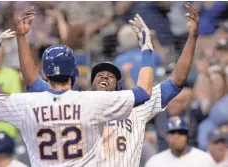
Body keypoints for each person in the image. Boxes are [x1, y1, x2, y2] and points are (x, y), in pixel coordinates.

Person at [16, 3, 199, 167]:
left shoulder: (136, 107)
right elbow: (34, 83)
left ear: (119, 85)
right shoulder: (77, 103)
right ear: (90, 84)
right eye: (99, 75)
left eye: (111, 76)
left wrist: (192, 37)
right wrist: (22, 39)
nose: (104, 77)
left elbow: (178, 79)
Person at [0, 19, 154, 167]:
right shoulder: (93, 100)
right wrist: (147, 49)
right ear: (75, 73)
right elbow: (144, 93)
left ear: (45, 74)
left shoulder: (27, 103)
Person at [145, 116, 216, 167]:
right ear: (166, 137)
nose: (177, 136)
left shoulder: (204, 159)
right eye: (172, 133)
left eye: (181, 132)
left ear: (187, 136)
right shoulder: (154, 162)